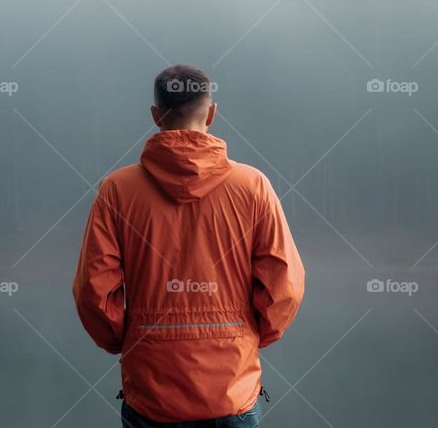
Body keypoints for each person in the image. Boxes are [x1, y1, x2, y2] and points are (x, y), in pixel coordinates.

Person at [73, 64, 305, 427]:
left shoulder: (117, 190)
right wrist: (249, 335)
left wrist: (124, 339)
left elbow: (93, 289)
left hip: (152, 392)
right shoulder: (253, 186)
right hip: (233, 389)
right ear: (211, 113)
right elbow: (284, 285)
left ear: (154, 116)